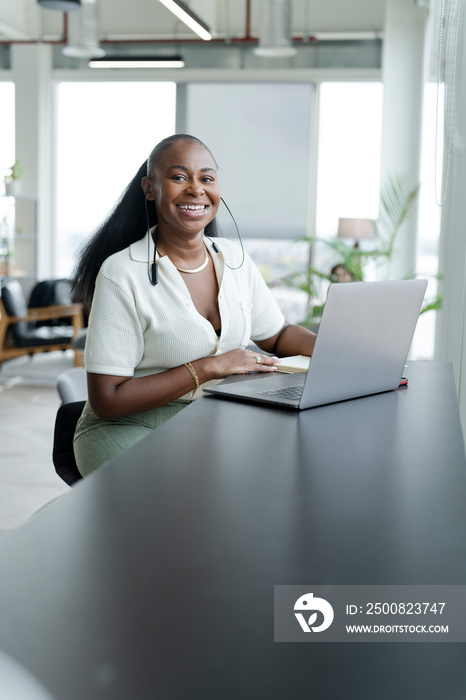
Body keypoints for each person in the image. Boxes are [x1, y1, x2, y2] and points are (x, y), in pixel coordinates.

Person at [72, 134, 316, 476]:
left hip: (210, 420)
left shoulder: (234, 259)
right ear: (150, 188)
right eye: (178, 177)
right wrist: (211, 366)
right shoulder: (121, 273)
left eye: (206, 178)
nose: (195, 189)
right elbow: (108, 399)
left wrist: (334, 349)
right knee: (183, 504)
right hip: (127, 428)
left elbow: (278, 334)